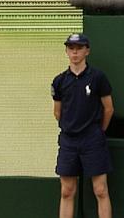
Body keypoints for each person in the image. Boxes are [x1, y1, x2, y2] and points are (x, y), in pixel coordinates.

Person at [51, 33, 115, 218]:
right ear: (66, 51)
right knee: (67, 190)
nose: (75, 53)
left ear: (87, 51)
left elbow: (108, 109)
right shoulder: (59, 81)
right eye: (71, 48)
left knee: (101, 189)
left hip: (93, 140)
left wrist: (97, 131)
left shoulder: (98, 78)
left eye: (79, 48)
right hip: (69, 141)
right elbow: (57, 112)